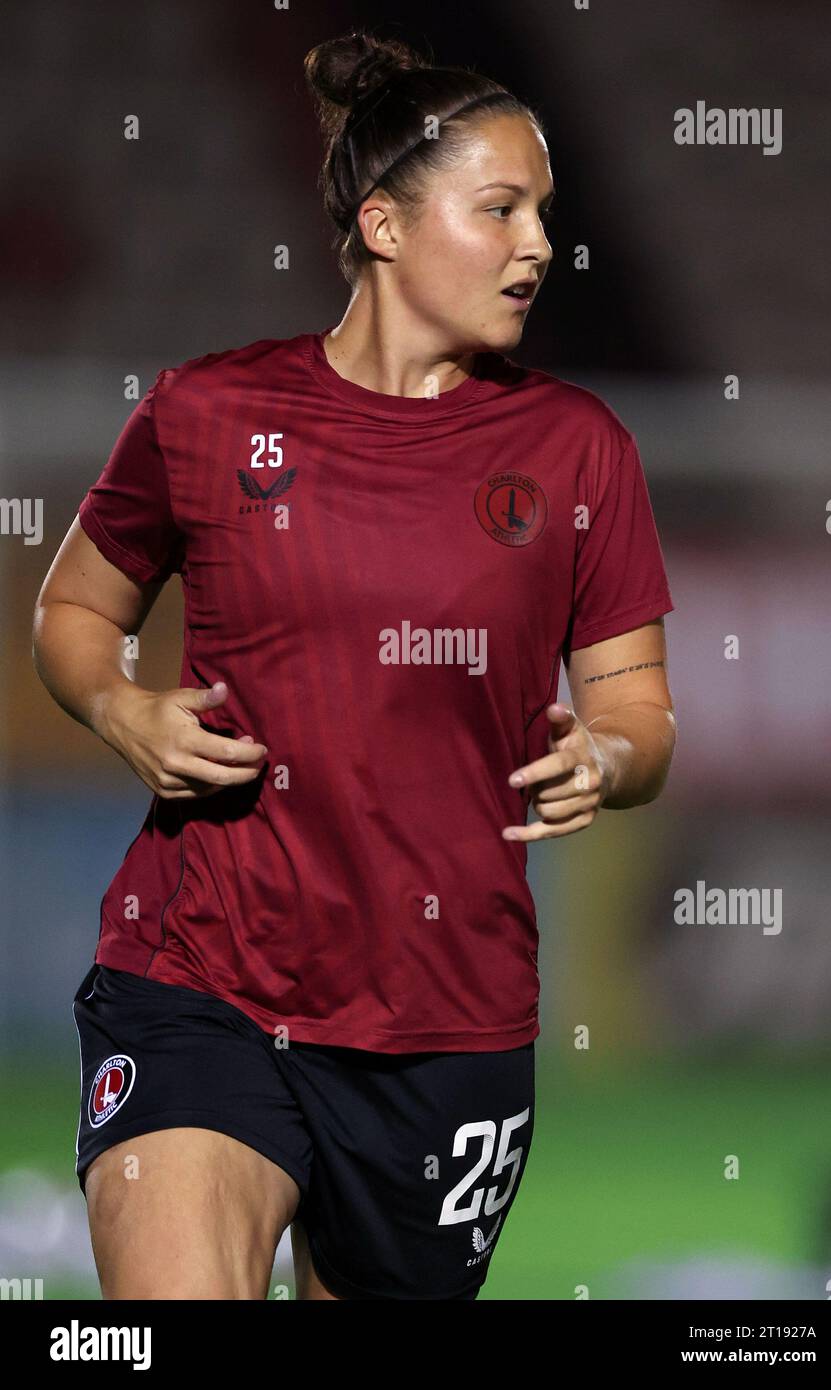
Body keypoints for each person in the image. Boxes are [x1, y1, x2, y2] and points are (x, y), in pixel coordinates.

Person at [32, 28, 676, 1301]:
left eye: (543, 212)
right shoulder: (207, 414)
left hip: (447, 1024)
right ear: (384, 226)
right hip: (201, 974)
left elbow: (641, 712)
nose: (538, 244)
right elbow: (72, 609)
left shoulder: (575, 450)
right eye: (499, 209)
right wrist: (116, 705)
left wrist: (605, 754)